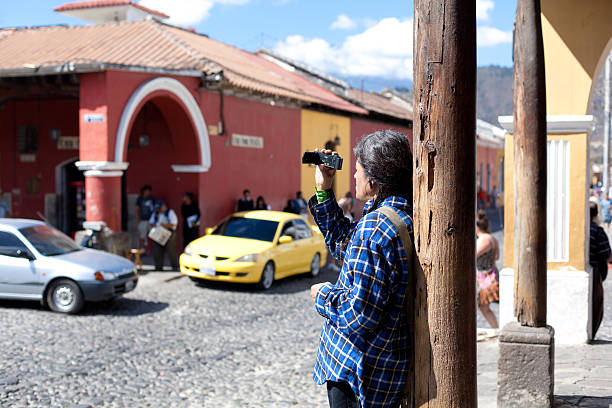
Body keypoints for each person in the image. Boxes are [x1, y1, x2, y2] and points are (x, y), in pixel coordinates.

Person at [309, 130, 413, 408]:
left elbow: (359, 315)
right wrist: (324, 189)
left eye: (357, 170)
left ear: (374, 181)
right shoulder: (401, 215)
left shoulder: (376, 227)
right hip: (385, 369)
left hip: (360, 375)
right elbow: (346, 244)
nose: (353, 176)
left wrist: (322, 295)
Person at [589, 201, 611, 338]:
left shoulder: (580, 229)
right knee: (596, 307)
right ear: (596, 214)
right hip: (595, 273)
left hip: (590, 271)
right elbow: (606, 254)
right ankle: (591, 332)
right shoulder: (597, 230)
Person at [476, 210, 499, 329]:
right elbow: (497, 256)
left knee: (483, 306)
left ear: (477, 227)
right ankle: (495, 329)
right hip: (490, 273)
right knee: (484, 307)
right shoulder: (492, 238)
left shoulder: (484, 239)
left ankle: (495, 329)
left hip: (484, 278)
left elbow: (473, 255)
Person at [149, 201, 179, 271]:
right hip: (159, 233)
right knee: (157, 251)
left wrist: (162, 225)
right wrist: (156, 226)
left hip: (169, 233)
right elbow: (151, 222)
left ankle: (175, 267)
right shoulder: (156, 213)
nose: (159, 210)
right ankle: (158, 267)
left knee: (172, 251)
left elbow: (173, 223)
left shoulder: (170, 212)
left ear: (164, 206)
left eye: (160, 208)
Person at [136, 185, 155, 252]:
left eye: (149, 191)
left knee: (154, 234)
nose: (148, 192)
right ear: (143, 191)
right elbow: (137, 209)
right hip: (143, 219)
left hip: (151, 220)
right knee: (142, 235)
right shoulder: (140, 199)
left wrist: (154, 219)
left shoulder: (152, 198)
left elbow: (155, 208)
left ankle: (153, 250)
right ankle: (142, 250)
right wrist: (138, 219)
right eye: (146, 191)